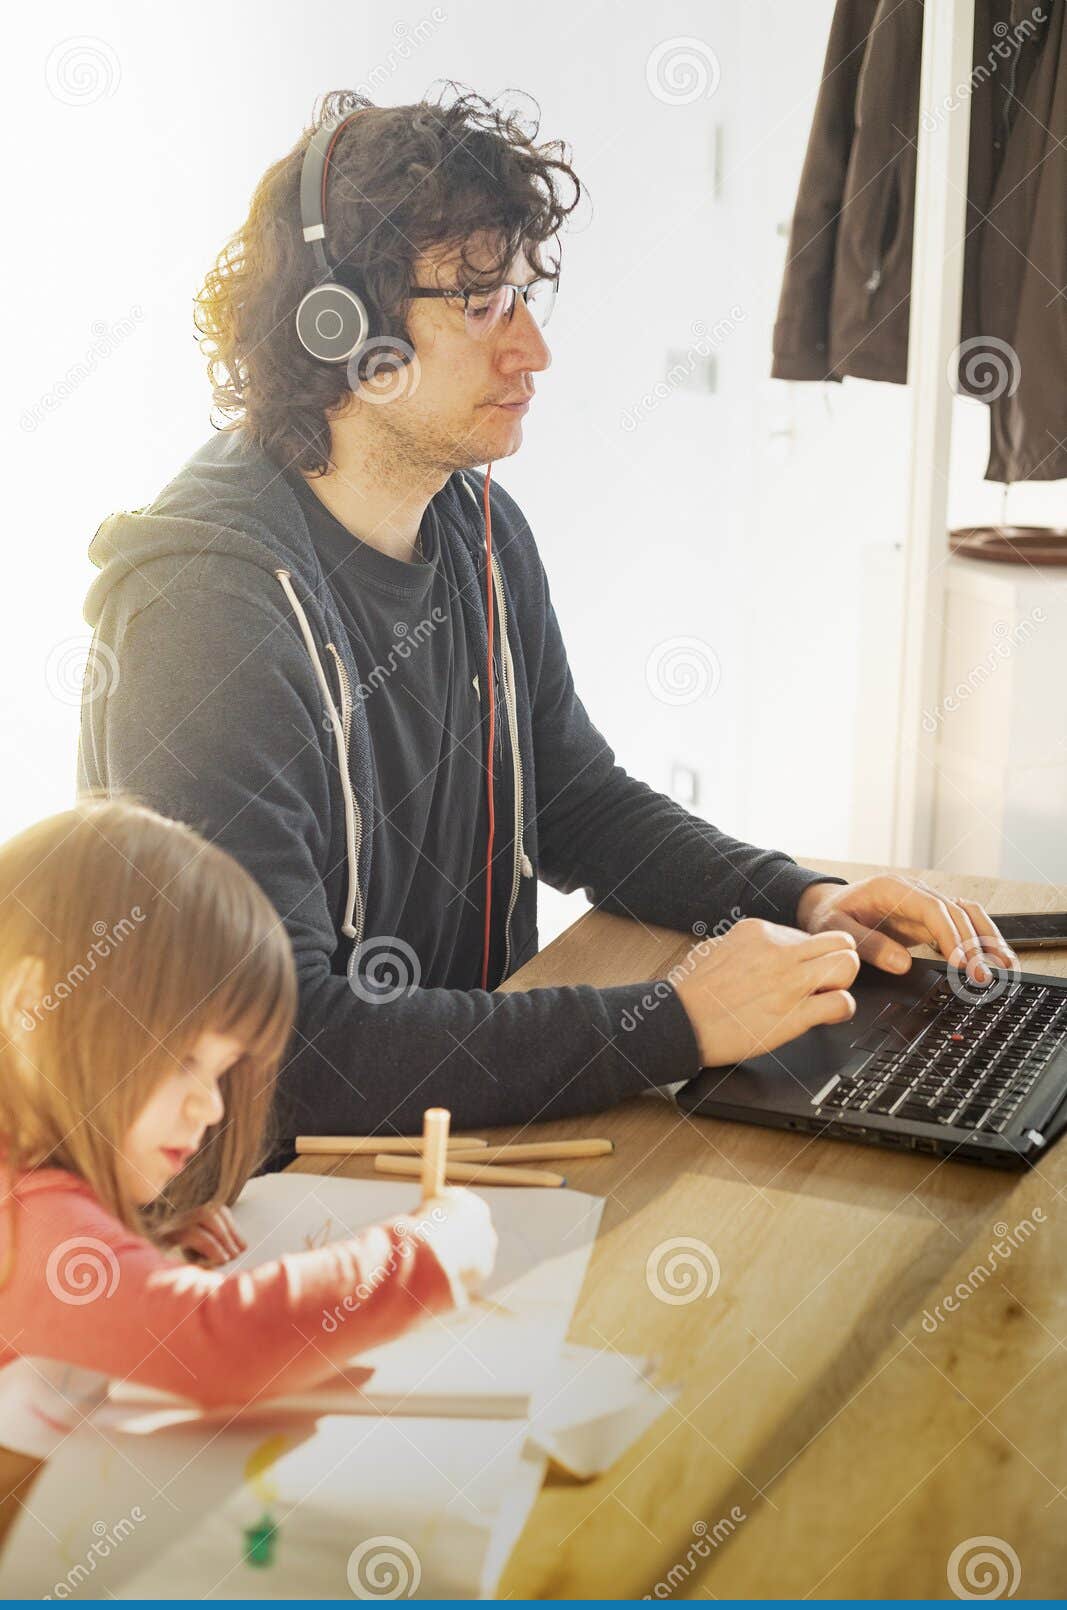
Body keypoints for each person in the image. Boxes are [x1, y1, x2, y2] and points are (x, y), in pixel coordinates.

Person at [77, 86, 1016, 1157]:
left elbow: (569, 794)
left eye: (524, 297)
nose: (531, 350)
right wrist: (671, 1020)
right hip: (276, 1195)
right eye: (479, 305)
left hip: (448, 1141)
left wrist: (798, 897)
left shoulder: (474, 523)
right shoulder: (207, 614)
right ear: (339, 327)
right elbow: (284, 1050)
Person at [0, 800, 497, 1458]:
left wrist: (127, 1245)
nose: (210, 1109)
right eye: (181, 1059)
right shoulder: (27, 1219)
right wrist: (425, 1256)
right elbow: (222, 1348)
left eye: (221, 1070)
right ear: (32, 1006)